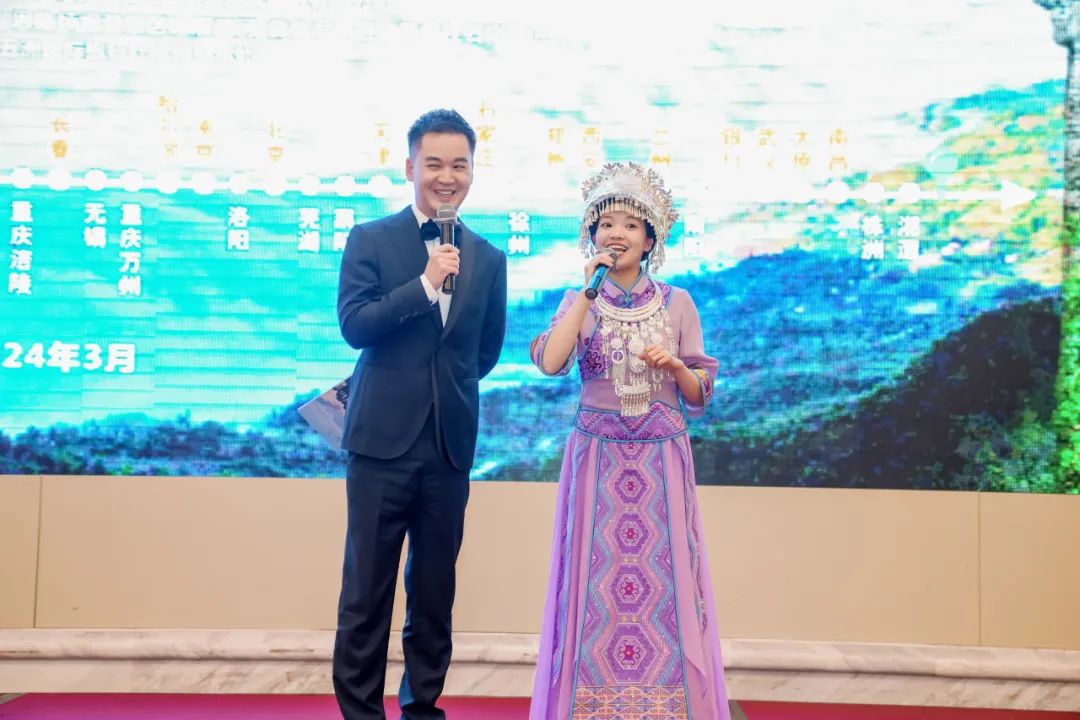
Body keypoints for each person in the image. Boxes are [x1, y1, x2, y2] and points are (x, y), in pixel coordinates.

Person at [529, 162, 730, 720]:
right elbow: (550, 362)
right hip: (596, 464)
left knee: (666, 588)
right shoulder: (579, 299)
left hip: (661, 466)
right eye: (605, 224)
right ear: (591, 237)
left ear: (650, 240)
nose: (616, 233)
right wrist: (585, 295)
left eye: (630, 225)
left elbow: (699, 391)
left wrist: (676, 366)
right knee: (592, 588)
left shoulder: (677, 301)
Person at [333, 108, 508, 720]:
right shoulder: (370, 239)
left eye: (459, 165)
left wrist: (444, 397)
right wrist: (426, 285)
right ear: (410, 168)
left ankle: (422, 709)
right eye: (433, 164)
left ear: (472, 172)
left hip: (448, 446)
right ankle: (361, 713)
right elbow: (356, 325)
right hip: (380, 445)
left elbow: (483, 352)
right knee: (367, 592)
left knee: (434, 594)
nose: (446, 177)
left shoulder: (488, 257)